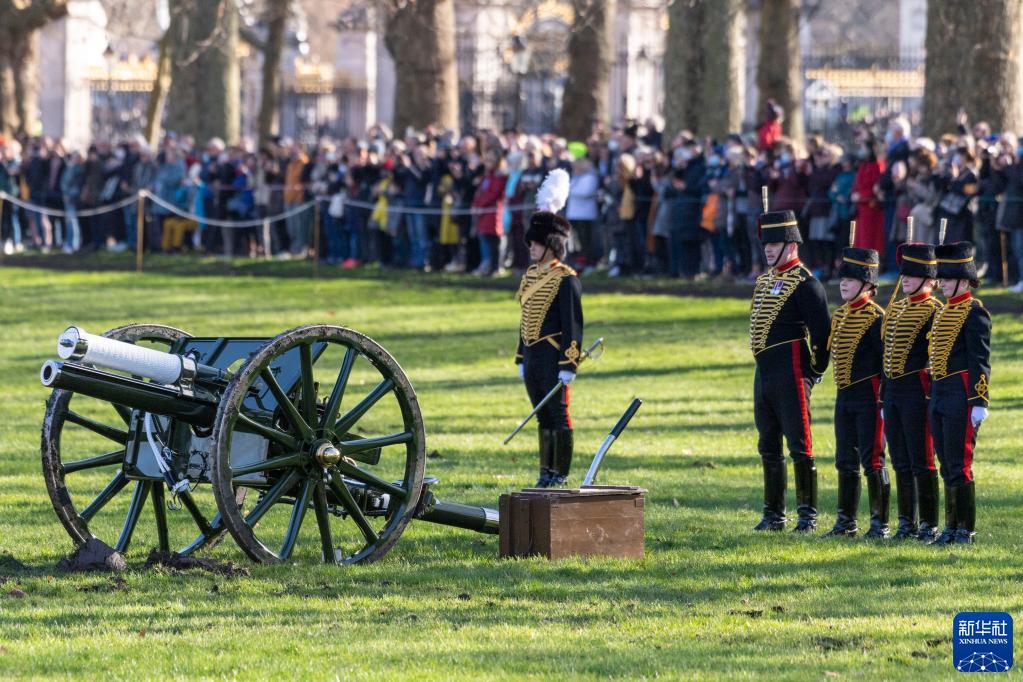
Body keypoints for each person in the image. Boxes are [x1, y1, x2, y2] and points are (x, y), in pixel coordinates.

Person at [749, 207, 831, 532]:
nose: (769, 249)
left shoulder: (806, 284)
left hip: (792, 369)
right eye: (766, 243)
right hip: (764, 372)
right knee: (768, 443)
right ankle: (773, 514)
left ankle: (807, 516)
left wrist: (815, 369)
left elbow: (822, 333)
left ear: (792, 245)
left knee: (800, 444)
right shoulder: (764, 281)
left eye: (775, 243)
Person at [514, 169, 583, 488]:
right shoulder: (530, 276)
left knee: (558, 414)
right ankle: (545, 472)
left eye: (537, 243)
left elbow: (573, 326)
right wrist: (521, 356)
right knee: (541, 415)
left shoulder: (566, 279)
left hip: (555, 358)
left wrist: (569, 364)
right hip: (532, 356)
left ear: (551, 245)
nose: (531, 247)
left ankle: (560, 473)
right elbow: (526, 318)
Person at [822, 246, 889, 538]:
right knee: (844, 460)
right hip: (844, 396)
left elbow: (886, 363)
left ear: (867, 284)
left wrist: (884, 400)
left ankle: (880, 524)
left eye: (850, 279)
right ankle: (846, 523)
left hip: (869, 397)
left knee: (873, 460)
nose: (843, 284)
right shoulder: (840, 315)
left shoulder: (877, 318)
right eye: (842, 279)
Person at [928, 242, 991, 544]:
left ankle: (965, 529)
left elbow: (980, 360)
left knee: (959, 463)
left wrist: (979, 400)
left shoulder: (975, 313)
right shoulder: (943, 312)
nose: (941, 284)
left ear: (964, 281)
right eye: (941, 279)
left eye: (948, 279)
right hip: (939, 391)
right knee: (945, 463)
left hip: (961, 394)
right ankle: (950, 527)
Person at [881, 243, 943, 541]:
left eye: (913, 273)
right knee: (900, 460)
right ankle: (907, 522)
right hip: (893, 391)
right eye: (904, 272)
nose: (905, 278)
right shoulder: (896, 309)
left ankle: (929, 524)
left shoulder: (935, 311)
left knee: (923, 460)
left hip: (918, 392)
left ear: (929, 279)